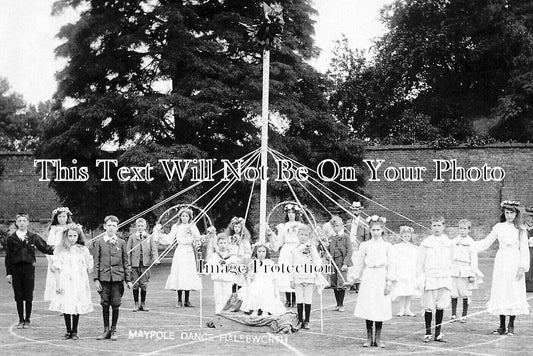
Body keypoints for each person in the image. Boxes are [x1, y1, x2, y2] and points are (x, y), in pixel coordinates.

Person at [473, 200, 529, 335]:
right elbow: (486, 242)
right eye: (507, 212)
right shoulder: (499, 227)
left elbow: (524, 249)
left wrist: (522, 267)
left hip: (514, 260)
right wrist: (470, 245)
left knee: (513, 289)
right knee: (501, 289)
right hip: (502, 260)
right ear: (504, 213)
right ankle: (501, 325)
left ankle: (511, 325)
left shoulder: (521, 229)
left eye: (511, 213)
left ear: (516, 214)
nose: (509, 215)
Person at [5, 213, 55, 329]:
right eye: (20, 221)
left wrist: (58, 248)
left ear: (28, 223)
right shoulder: (11, 239)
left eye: (24, 221)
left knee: (28, 294)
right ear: (16, 223)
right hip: (16, 270)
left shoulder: (33, 237)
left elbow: (45, 248)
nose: (22, 223)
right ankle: (20, 319)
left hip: (29, 269)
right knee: (18, 295)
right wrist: (9, 273)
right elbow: (8, 257)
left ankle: (27, 319)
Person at [353, 215, 395, 348]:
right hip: (369, 276)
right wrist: (354, 278)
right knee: (369, 305)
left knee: (380, 306)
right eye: (373, 230)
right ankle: (368, 337)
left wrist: (389, 283)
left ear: (382, 230)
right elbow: (359, 263)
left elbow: (392, 265)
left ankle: (378, 338)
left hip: (381, 276)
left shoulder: (387, 246)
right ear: (369, 230)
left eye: (378, 230)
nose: (375, 232)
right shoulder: (365, 245)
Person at [49, 223, 93, 340]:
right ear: (66, 236)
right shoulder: (61, 250)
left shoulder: (83, 250)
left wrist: (87, 259)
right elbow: (57, 268)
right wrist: (58, 283)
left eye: (75, 236)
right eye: (70, 236)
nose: (72, 238)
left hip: (79, 280)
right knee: (66, 304)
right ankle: (68, 330)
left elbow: (89, 266)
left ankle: (75, 331)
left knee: (76, 304)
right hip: (65, 280)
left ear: (78, 236)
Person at [93, 215, 132, 341]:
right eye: (109, 225)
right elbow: (96, 262)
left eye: (114, 226)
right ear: (105, 226)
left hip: (117, 278)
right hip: (104, 278)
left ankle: (114, 329)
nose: (111, 228)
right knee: (105, 303)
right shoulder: (99, 242)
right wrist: (96, 279)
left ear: (117, 227)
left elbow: (126, 262)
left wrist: (128, 280)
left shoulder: (121, 242)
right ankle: (106, 330)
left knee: (116, 303)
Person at [154, 207, 202, 308]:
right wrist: (159, 234)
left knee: (188, 273)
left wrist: (206, 237)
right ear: (180, 217)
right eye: (183, 216)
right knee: (180, 273)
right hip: (180, 251)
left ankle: (187, 300)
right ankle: (179, 300)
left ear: (189, 217)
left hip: (189, 252)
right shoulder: (176, 227)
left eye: (187, 216)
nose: (185, 218)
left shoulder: (192, 226)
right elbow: (169, 238)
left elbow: (198, 238)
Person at [417, 215, 452, 343]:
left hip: (444, 278)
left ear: (444, 226)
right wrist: (420, 278)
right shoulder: (426, 243)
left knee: (440, 306)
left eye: (439, 225)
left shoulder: (448, 242)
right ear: (430, 227)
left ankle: (438, 333)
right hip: (430, 278)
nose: (437, 228)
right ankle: (428, 333)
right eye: (434, 225)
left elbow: (451, 261)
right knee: (429, 306)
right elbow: (419, 263)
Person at [290, 224, 328, 330]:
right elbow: (291, 264)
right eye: (301, 234)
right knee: (299, 298)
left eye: (305, 235)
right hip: (297, 276)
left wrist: (317, 272)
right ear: (298, 235)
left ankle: (307, 320)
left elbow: (317, 261)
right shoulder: (294, 249)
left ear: (309, 236)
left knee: (308, 298)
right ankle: (300, 320)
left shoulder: (312, 248)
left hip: (309, 276)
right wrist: (291, 279)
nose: (303, 237)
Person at [269, 203, 304, 307]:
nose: (291, 215)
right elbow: (279, 243)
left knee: (296, 273)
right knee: (285, 273)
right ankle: (288, 299)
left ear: (297, 214)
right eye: (289, 212)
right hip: (286, 250)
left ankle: (296, 299)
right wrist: (271, 237)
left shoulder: (301, 226)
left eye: (293, 212)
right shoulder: (283, 226)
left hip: (297, 249)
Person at [450, 219, 484, 323]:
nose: (462, 231)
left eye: (464, 229)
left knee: (465, 293)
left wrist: (472, 273)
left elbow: (474, 259)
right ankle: (453, 314)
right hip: (454, 269)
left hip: (466, 269)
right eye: (460, 228)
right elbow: (450, 255)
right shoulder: (454, 241)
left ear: (469, 230)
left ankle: (464, 315)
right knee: (453, 292)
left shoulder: (471, 242)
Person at [239, 244, 286, 317]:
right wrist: (250, 277)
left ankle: (265, 310)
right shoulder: (254, 262)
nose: (261, 253)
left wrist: (275, 286)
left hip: (267, 281)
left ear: (266, 253)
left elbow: (273, 275)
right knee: (255, 288)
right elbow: (251, 274)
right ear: (256, 252)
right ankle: (255, 309)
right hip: (257, 280)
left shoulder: (270, 262)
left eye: (263, 251)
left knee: (267, 289)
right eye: (259, 251)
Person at [126, 218, 159, 312]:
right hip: (135, 264)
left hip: (145, 264)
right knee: (135, 284)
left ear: (145, 227)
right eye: (138, 226)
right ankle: (136, 303)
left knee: (144, 284)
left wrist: (155, 259)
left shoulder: (149, 237)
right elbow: (128, 251)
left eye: (142, 226)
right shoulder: (132, 237)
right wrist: (128, 264)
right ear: (136, 227)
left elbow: (153, 249)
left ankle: (143, 304)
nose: (140, 228)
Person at [44, 207, 73, 302]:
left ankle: (67, 301)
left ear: (67, 217)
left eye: (64, 216)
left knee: (67, 280)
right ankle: (58, 302)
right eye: (59, 216)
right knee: (57, 280)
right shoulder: (54, 230)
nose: (61, 219)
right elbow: (49, 246)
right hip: (56, 258)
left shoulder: (72, 229)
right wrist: (52, 261)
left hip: (68, 259)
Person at [206, 234, 239, 313]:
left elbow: (237, 267)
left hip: (228, 280)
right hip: (218, 279)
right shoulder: (215, 256)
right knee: (218, 297)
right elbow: (209, 265)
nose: (223, 245)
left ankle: (225, 314)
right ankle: (218, 313)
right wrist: (204, 271)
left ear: (228, 244)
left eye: (225, 243)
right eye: (221, 243)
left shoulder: (232, 256)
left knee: (227, 297)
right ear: (217, 244)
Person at [326, 215, 352, 312]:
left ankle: (341, 304)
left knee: (341, 282)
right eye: (333, 226)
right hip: (333, 262)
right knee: (334, 282)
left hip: (341, 262)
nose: (335, 228)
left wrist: (345, 263)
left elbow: (349, 251)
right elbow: (327, 250)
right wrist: (327, 255)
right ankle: (337, 304)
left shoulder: (345, 237)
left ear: (341, 226)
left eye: (337, 226)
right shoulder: (331, 237)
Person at [392, 226, 419, 317]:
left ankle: (408, 309)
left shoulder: (414, 248)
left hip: (410, 270)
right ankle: (401, 309)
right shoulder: (397, 247)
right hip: (401, 270)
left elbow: (416, 259)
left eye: (408, 236)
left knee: (409, 291)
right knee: (402, 291)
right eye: (404, 236)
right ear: (401, 236)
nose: (406, 238)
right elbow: (394, 259)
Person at [223, 217, 252, 292]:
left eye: (239, 227)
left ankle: (238, 293)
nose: (237, 228)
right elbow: (225, 249)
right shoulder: (229, 238)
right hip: (231, 259)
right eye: (235, 226)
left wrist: (244, 257)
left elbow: (248, 251)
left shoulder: (244, 239)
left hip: (240, 260)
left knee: (240, 279)